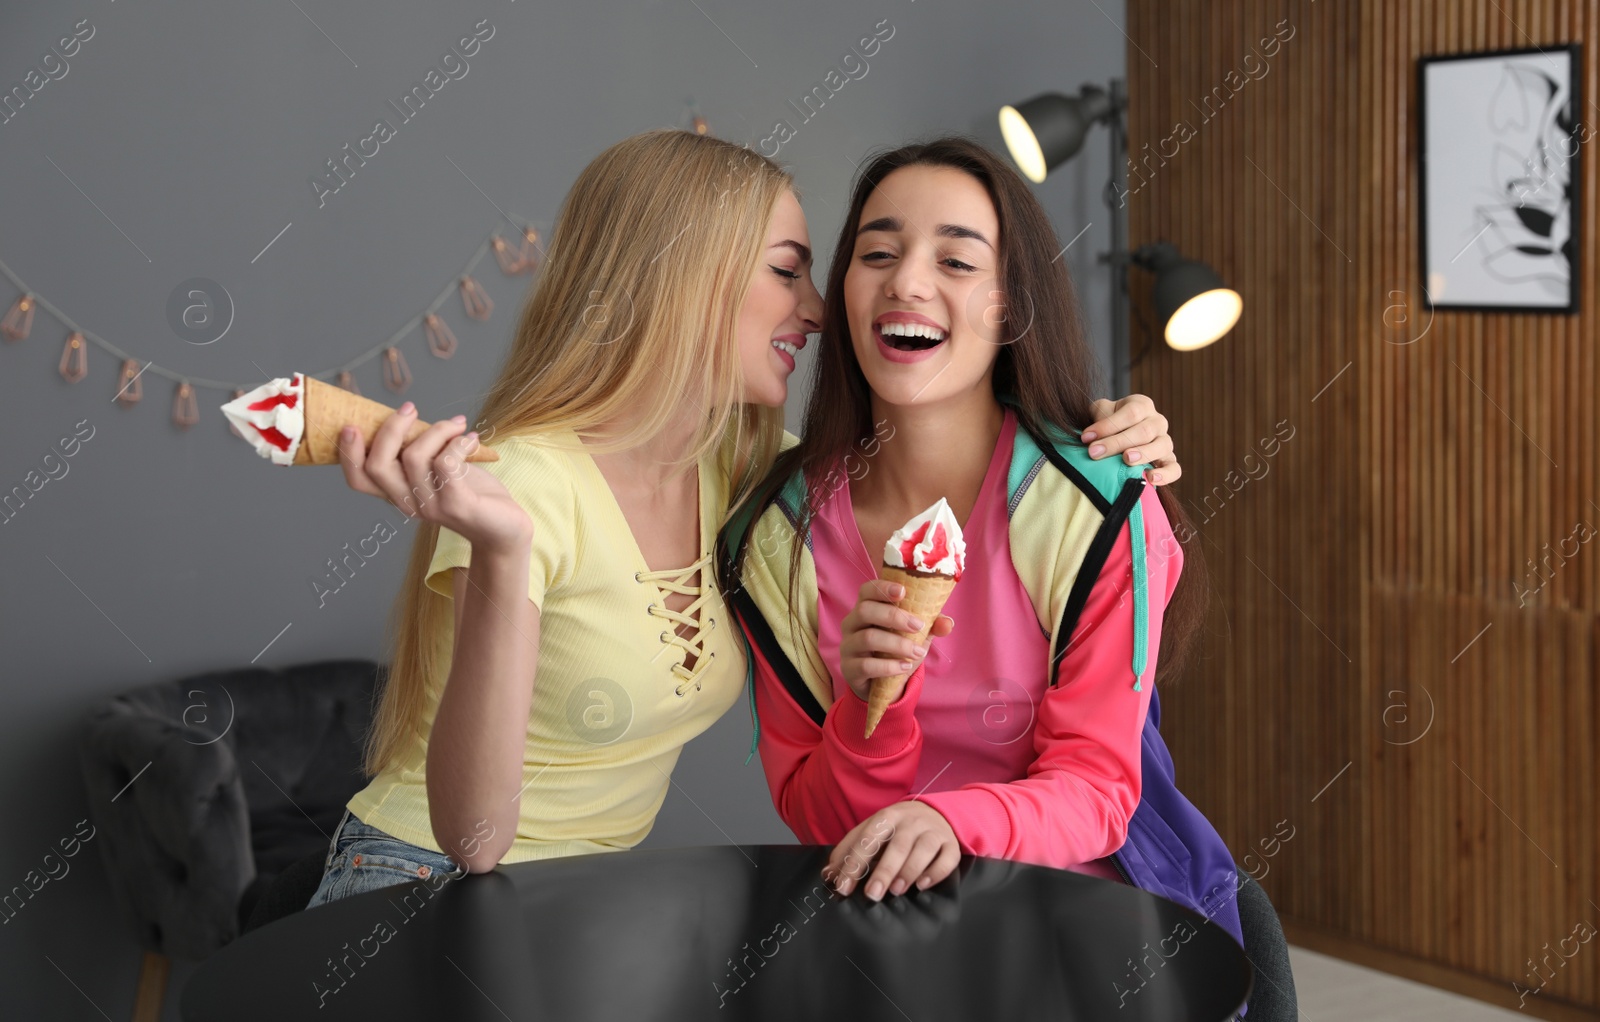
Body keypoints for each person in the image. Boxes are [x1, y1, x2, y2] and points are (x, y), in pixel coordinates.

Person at [304, 128, 1185, 909]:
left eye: (956, 260)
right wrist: (499, 548)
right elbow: (476, 840)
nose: (813, 306)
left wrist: (1114, 440)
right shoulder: (530, 486)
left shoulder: (746, 478)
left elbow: (1100, 777)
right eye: (789, 270)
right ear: (683, 280)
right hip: (424, 885)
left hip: (577, 897)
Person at [718, 136, 1296, 1021]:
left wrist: (954, 820)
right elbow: (815, 818)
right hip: (885, 936)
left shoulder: (1097, 508)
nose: (908, 281)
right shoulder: (775, 537)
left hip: (1090, 922)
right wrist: (870, 714)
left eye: (955, 258)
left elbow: (1099, 792)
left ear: (1009, 306)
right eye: (877, 253)